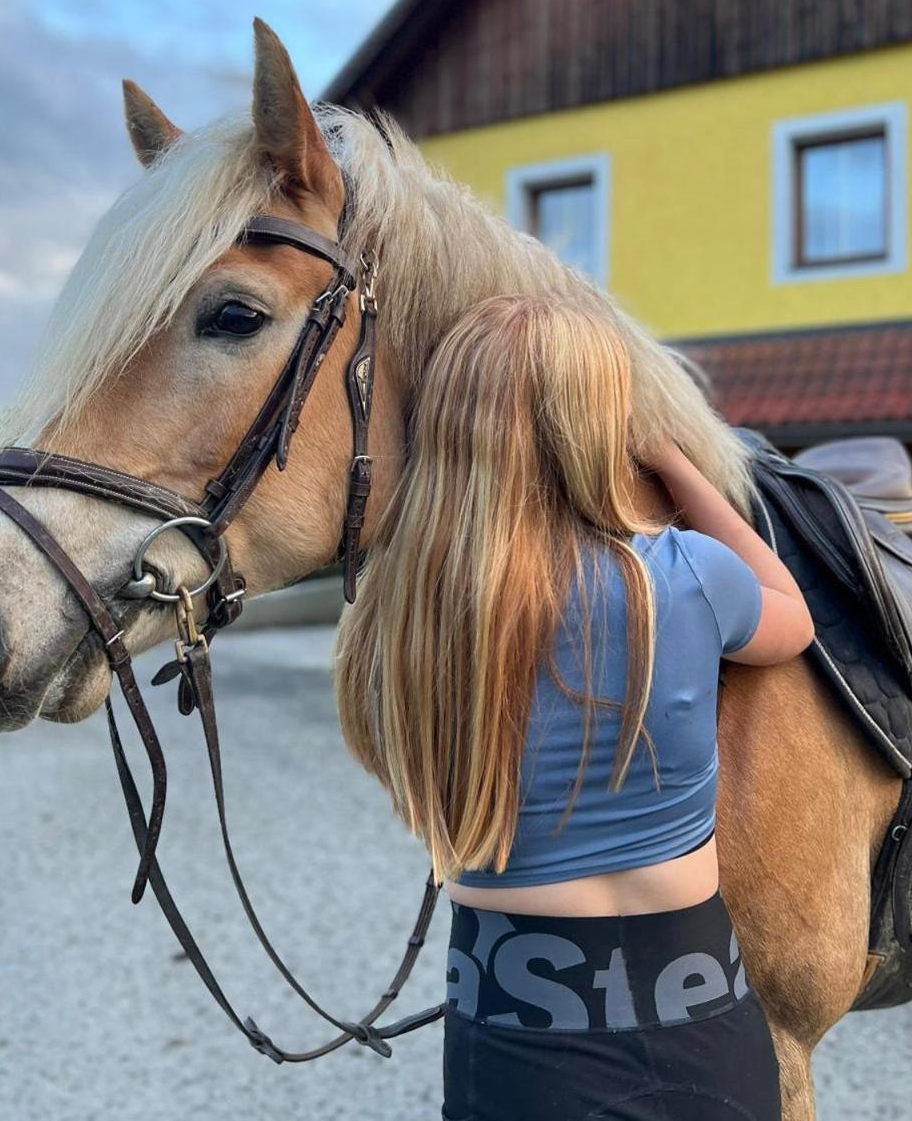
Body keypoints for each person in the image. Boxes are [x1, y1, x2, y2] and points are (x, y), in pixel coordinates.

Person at [335, 293, 814, 1121]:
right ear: (599, 425)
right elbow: (792, 618)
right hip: (699, 999)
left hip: (515, 1015)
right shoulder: (689, 573)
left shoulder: (400, 621)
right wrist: (677, 463)